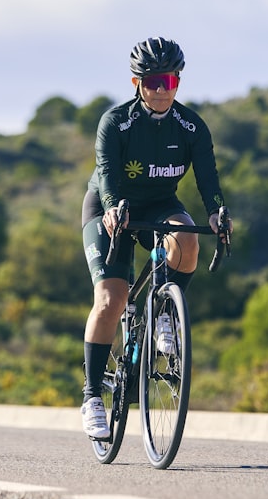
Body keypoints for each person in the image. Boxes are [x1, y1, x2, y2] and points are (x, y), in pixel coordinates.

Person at [79, 36, 232, 440]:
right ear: (137, 84)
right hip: (109, 208)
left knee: (188, 242)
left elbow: (208, 179)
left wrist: (217, 210)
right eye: (152, 81)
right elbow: (109, 176)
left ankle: (163, 311)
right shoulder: (116, 122)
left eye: (169, 80)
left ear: (178, 80)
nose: (162, 89)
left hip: (160, 205)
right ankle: (93, 395)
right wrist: (114, 208)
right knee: (111, 300)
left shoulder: (191, 127)